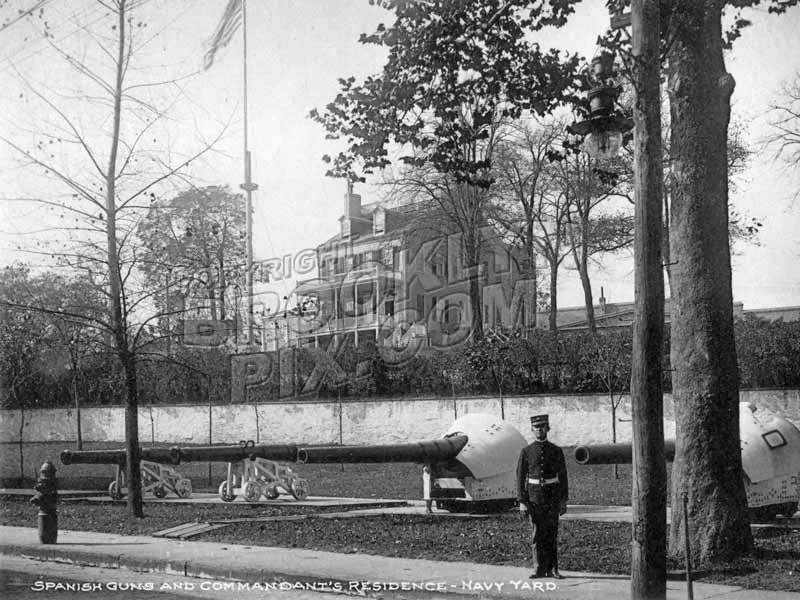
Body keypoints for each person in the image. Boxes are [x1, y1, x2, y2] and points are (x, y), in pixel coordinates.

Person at [517, 414, 568, 579]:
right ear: (532, 430)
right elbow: (520, 478)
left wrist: (563, 500)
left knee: (551, 534)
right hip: (534, 498)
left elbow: (563, 477)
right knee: (537, 534)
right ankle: (538, 569)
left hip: (552, 497)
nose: (540, 430)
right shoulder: (526, 451)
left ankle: (553, 569)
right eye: (536, 427)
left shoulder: (556, 451)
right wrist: (522, 502)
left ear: (548, 428)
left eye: (543, 426)